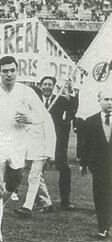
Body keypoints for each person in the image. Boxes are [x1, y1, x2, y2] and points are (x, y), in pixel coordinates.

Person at [0, 56, 52, 242]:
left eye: (12, 70)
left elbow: (43, 116)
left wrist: (30, 118)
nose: (8, 74)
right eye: (5, 71)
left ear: (17, 71)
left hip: (18, 144)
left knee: (14, 182)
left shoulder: (26, 92)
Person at [37, 76, 78, 210]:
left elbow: (73, 107)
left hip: (58, 142)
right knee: (37, 171)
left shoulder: (60, 100)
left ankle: (66, 201)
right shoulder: (35, 101)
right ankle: (39, 199)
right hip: (40, 142)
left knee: (65, 170)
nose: (47, 87)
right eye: (45, 84)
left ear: (54, 87)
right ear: (40, 86)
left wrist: (71, 91)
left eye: (50, 85)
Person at [13, 98, 56, 218]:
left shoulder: (45, 115)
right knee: (38, 178)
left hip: (42, 151)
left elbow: (51, 135)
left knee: (33, 177)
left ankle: (27, 207)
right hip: (30, 151)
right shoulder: (25, 114)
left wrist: (51, 155)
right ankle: (47, 204)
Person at [80, 87, 112, 239]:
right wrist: (83, 163)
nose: (110, 102)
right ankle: (103, 226)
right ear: (99, 101)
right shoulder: (91, 121)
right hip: (98, 166)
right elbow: (86, 144)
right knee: (100, 195)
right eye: (106, 99)